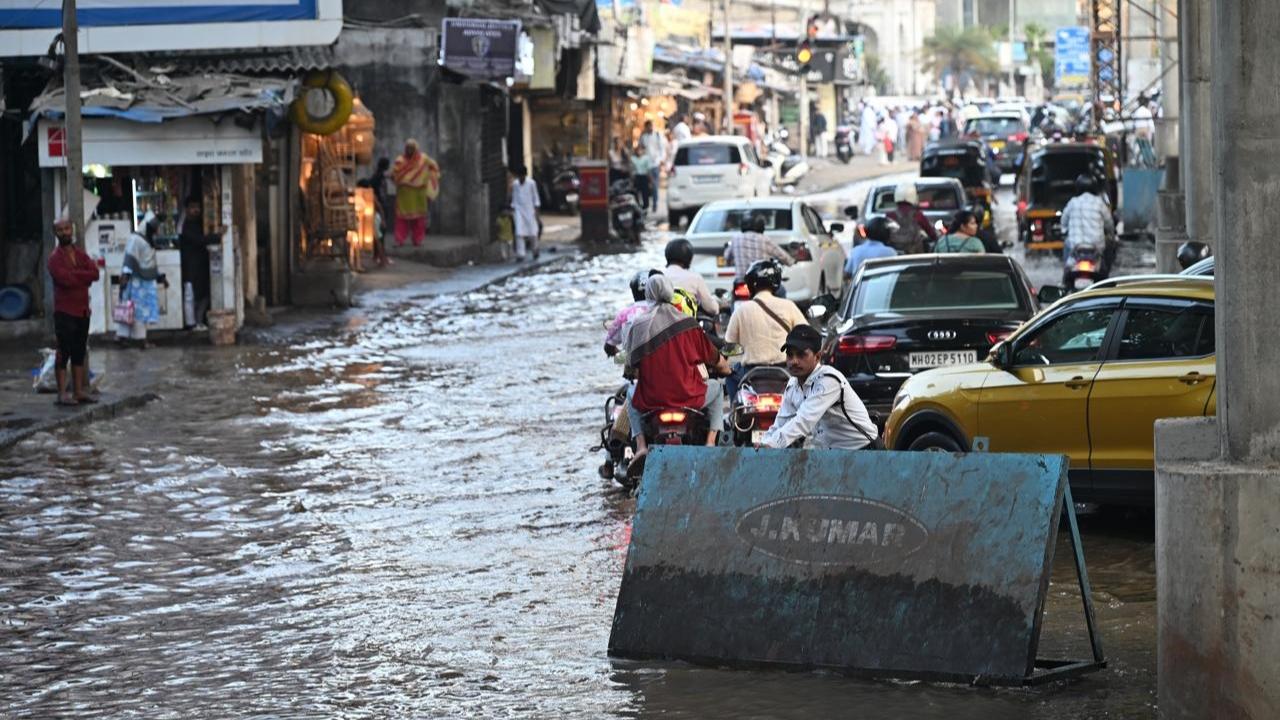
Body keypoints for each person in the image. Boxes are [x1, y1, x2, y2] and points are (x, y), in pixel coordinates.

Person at [623, 274, 732, 462]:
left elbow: (630, 366)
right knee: (717, 388)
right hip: (689, 397)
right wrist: (726, 370)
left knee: (630, 392)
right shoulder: (689, 323)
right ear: (670, 292)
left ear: (648, 294)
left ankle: (641, 446)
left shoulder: (638, 325)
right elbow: (716, 360)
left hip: (651, 400)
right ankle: (711, 443)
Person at [758, 325, 879, 450]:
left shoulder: (828, 380)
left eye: (801, 355)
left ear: (817, 357)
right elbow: (781, 423)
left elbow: (803, 422)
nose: (794, 361)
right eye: (790, 355)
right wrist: (762, 445)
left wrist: (772, 445)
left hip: (865, 451)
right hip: (833, 454)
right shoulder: (793, 384)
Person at [724, 259, 806, 400]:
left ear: (751, 284)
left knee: (730, 376)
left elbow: (728, 347)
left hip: (749, 373)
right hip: (785, 370)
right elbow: (806, 335)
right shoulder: (788, 306)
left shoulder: (741, 310)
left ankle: (734, 413)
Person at [46, 216, 100, 406]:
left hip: (83, 310)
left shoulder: (80, 254)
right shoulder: (54, 259)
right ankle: (62, 393)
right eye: (60, 230)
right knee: (64, 351)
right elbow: (65, 280)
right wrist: (83, 276)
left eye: (67, 229)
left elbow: (95, 273)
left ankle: (78, 391)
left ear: (72, 230)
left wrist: (78, 275)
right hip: (64, 311)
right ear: (56, 233)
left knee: (79, 351)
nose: (65, 233)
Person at [116, 212, 162, 348]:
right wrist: (125, 276)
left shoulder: (146, 240)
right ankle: (140, 340)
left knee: (133, 310)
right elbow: (130, 259)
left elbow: (149, 261)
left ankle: (122, 337)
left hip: (143, 280)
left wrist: (159, 276)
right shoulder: (136, 239)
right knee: (139, 312)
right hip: (136, 281)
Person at [1060, 173, 1116, 285]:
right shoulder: (1100, 203)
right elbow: (1109, 224)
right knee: (1110, 245)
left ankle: (1065, 278)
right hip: (1096, 250)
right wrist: (1111, 233)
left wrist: (1064, 230)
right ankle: (1107, 275)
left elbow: (1063, 222)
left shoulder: (1072, 203)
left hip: (1076, 249)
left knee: (1066, 243)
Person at [391, 139, 440, 247]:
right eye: (407, 148)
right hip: (404, 195)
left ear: (416, 149)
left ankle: (417, 240)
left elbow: (434, 167)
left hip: (419, 194)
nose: (409, 150)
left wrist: (430, 179)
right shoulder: (400, 160)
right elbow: (394, 174)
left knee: (418, 219)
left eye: (411, 148)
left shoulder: (423, 159)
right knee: (401, 219)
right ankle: (399, 240)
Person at [724, 212, 795, 286]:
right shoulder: (764, 239)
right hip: (760, 283)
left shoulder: (735, 239)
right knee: (781, 291)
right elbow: (782, 256)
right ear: (761, 227)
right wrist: (791, 262)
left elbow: (727, 257)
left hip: (741, 281)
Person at [604, 269, 659, 357]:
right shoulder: (664, 310)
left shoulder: (624, 315)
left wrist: (624, 358)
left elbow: (608, 347)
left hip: (634, 366)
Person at [178, 197, 211, 328]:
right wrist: (217, 236)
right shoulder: (185, 227)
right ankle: (191, 324)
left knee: (202, 295)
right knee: (190, 295)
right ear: (186, 210)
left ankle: (198, 321)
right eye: (192, 207)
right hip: (190, 266)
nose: (196, 210)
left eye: (197, 207)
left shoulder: (198, 224)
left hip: (199, 266)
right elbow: (199, 240)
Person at [663, 238, 719, 315]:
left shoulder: (659, 276)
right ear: (688, 257)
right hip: (687, 323)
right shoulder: (695, 278)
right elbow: (712, 308)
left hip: (661, 323)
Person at [886, 182, 937, 254]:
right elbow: (931, 233)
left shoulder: (890, 215)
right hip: (914, 255)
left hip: (895, 253)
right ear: (913, 196)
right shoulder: (917, 215)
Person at [510, 164, 541, 262]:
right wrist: (513, 210)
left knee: (533, 232)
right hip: (519, 210)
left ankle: (535, 249)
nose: (521, 178)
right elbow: (514, 198)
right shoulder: (515, 184)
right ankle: (521, 254)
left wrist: (536, 212)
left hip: (529, 210)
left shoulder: (531, 183)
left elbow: (535, 198)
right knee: (519, 233)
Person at [366, 157, 392, 267]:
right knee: (380, 233)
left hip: (380, 205)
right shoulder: (378, 177)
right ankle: (381, 257)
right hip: (379, 206)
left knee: (379, 233)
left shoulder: (379, 176)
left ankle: (377, 256)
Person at [638, 121, 668, 212]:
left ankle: (655, 204)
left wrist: (661, 160)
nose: (649, 128)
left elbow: (662, 149)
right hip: (646, 165)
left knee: (654, 185)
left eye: (650, 126)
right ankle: (646, 205)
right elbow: (641, 149)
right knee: (645, 186)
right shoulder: (643, 137)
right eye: (648, 127)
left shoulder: (658, 136)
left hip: (655, 163)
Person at [630, 144, 654, 211]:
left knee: (645, 193)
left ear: (643, 151)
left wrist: (650, 181)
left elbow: (648, 170)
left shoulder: (646, 158)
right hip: (636, 177)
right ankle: (637, 206)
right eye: (637, 150)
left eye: (640, 150)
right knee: (636, 192)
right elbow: (631, 168)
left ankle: (645, 206)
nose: (639, 152)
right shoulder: (633, 158)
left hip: (644, 176)